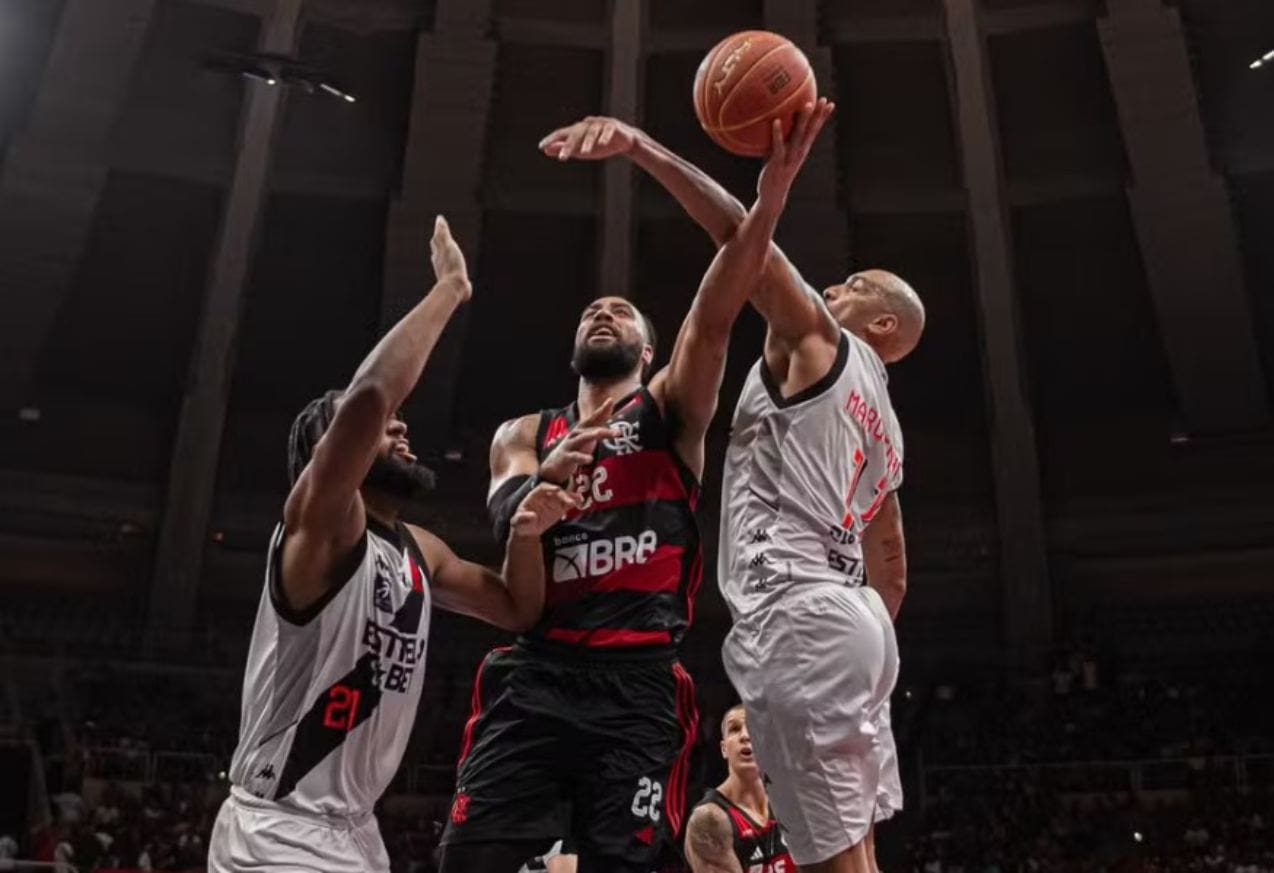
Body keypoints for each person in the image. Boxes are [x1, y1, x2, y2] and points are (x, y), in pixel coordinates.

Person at [436, 100, 835, 873]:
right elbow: (510, 519)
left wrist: (760, 196)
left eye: (620, 311)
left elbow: (722, 305)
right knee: (468, 859)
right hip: (538, 666)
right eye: (591, 311)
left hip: (638, 681)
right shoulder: (523, 432)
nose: (602, 312)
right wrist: (539, 495)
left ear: (649, 349)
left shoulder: (669, 411)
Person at [543, 106, 921, 873]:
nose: (832, 285)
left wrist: (643, 147)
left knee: (826, 863)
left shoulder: (819, 340)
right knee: (863, 851)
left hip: (799, 612)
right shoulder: (885, 427)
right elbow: (895, 568)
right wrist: (857, 634)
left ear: (883, 325)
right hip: (858, 623)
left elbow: (740, 245)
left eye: (853, 285)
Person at [207, 217, 578, 873]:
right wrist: (449, 290)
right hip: (278, 828)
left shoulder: (418, 550)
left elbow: (518, 608)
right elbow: (373, 396)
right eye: (382, 430)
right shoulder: (318, 529)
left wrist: (525, 530)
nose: (400, 426)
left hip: (355, 831)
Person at [685, 705, 794, 873]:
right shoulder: (708, 820)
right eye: (735, 729)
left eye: (753, 728)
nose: (745, 736)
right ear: (723, 749)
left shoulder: (792, 803)